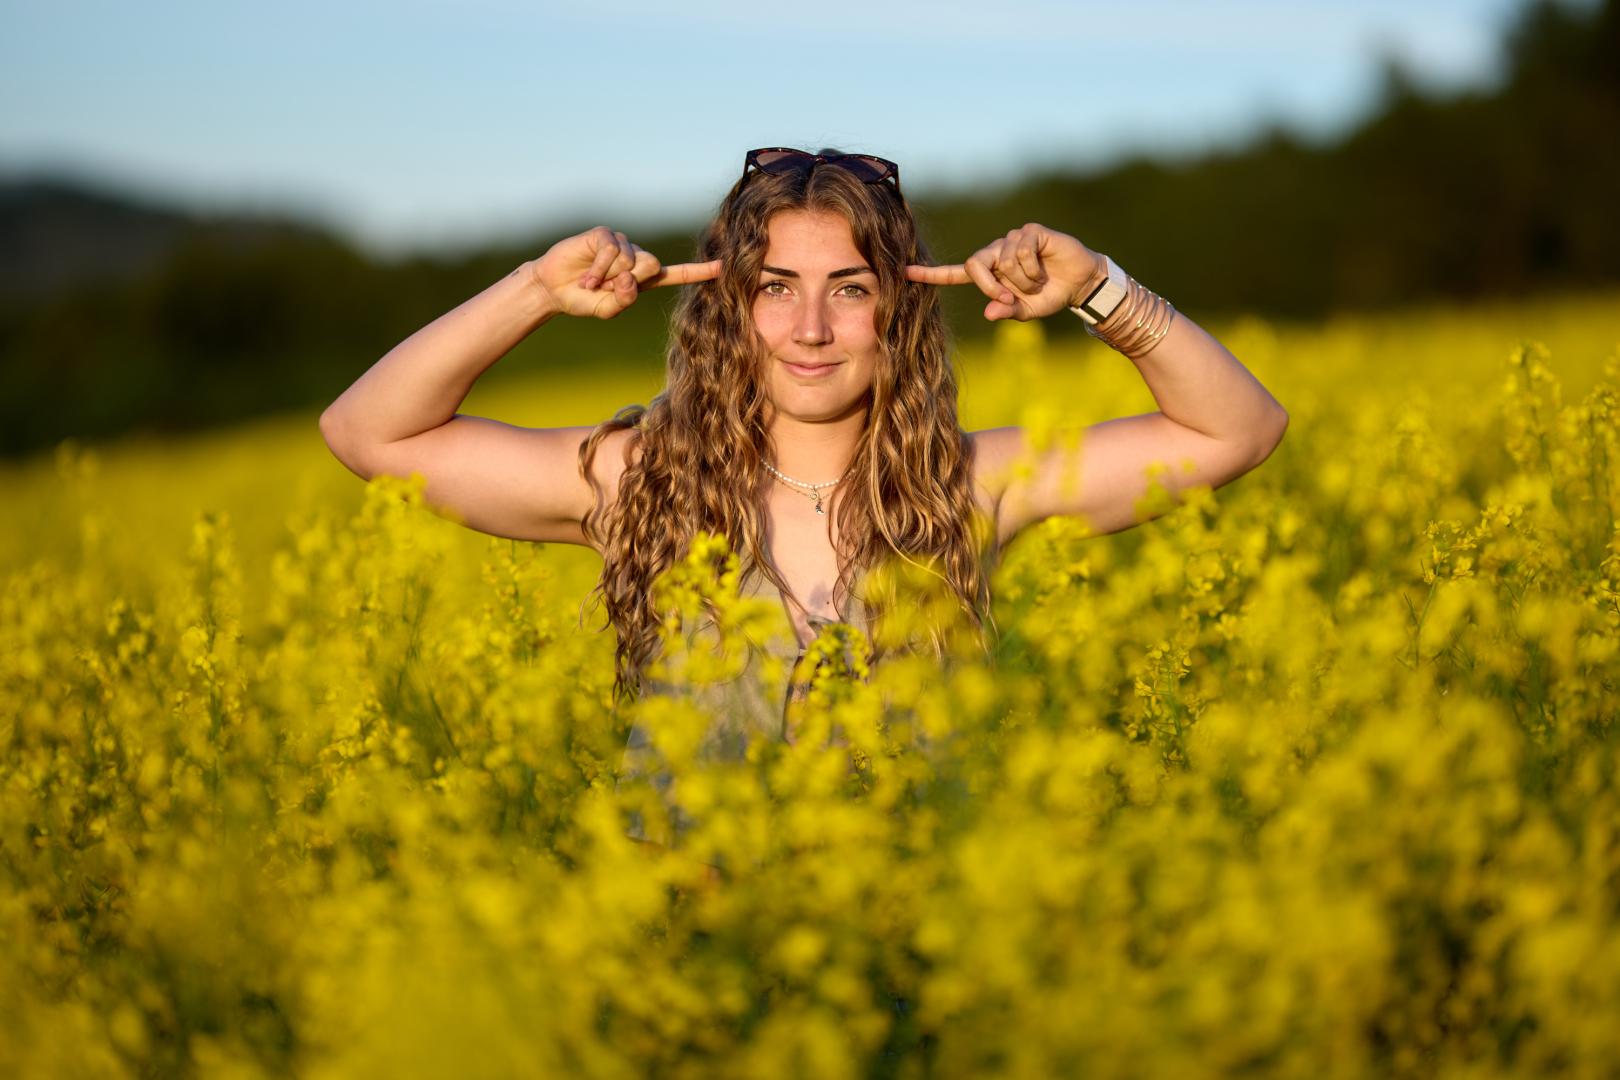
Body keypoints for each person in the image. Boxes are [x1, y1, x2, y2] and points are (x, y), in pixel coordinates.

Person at [319, 146, 1289, 853]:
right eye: (776, 287)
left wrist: (1099, 289)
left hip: (909, 979)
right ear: (728, 302)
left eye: (851, 289)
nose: (812, 328)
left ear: (898, 307)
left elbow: (1237, 431)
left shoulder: (968, 486)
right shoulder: (642, 479)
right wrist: (537, 289)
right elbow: (369, 433)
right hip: (691, 982)